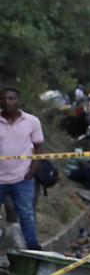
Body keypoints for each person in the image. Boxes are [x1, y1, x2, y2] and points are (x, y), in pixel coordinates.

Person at [0, 87, 45, 249]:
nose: (7, 102)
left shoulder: (32, 121)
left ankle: (34, 250)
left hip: (22, 178)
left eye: (11, 98)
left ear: (19, 101)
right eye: (4, 98)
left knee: (27, 216)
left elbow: (39, 147)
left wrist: (32, 171)